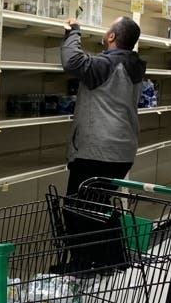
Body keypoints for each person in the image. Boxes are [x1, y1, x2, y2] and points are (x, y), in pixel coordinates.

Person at [61, 16, 144, 195]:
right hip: (123, 153)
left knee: (78, 213)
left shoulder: (107, 65)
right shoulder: (134, 65)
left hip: (98, 154)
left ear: (112, 36)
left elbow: (71, 61)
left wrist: (73, 31)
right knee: (97, 209)